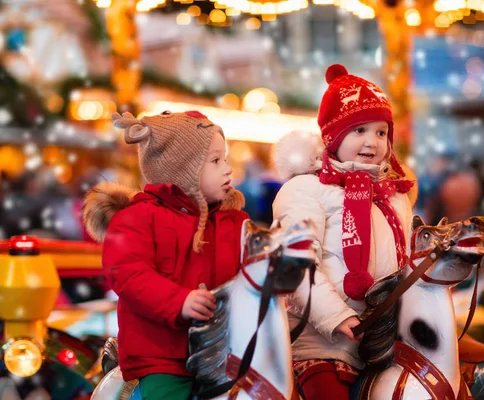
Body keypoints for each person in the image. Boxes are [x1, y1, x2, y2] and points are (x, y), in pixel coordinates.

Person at [272, 64, 415, 400]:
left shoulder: (394, 195)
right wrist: (336, 316)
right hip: (323, 340)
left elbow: (405, 259)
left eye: (381, 133)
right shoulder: (304, 189)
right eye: (360, 130)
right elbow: (296, 266)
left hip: (385, 335)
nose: (372, 142)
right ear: (332, 137)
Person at [83, 110, 247, 400]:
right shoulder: (138, 218)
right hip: (164, 356)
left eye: (226, 159)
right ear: (184, 170)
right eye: (215, 161)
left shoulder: (232, 221)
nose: (227, 169)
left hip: (224, 347)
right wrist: (179, 301)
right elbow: (129, 274)